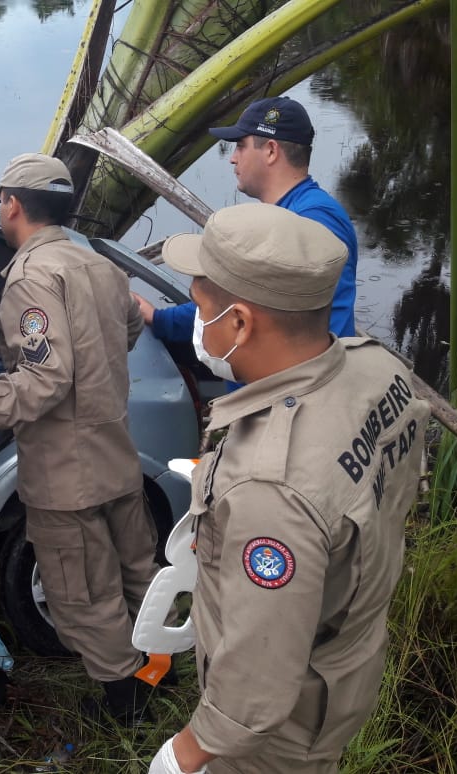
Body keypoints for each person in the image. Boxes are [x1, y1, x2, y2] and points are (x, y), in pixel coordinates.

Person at [146, 203, 430, 774]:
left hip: (279, 734)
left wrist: (188, 752)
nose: (197, 323)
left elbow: (258, 683)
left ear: (241, 323)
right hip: (347, 654)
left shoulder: (271, 490)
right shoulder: (377, 369)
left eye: (202, 307)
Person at [0, 153, 160, 723]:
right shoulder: (101, 268)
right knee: (139, 574)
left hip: (65, 475)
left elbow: (45, 380)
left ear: (11, 204)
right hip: (116, 457)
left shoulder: (32, 277)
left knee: (82, 597)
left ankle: (124, 707)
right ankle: (159, 669)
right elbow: (129, 327)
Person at [132, 95, 359, 348]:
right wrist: (160, 319)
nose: (232, 158)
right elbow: (232, 301)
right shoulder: (286, 214)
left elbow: (324, 327)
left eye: (240, 145)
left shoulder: (313, 221)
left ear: (271, 151)